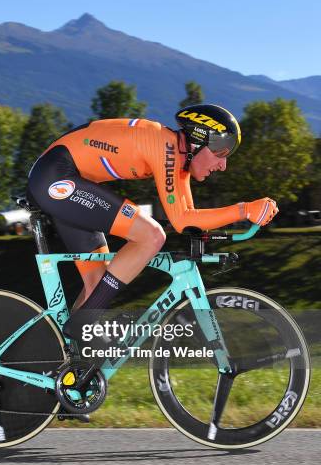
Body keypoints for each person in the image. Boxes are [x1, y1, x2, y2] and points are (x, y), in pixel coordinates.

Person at [27, 104, 278, 344]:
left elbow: (190, 218)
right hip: (57, 176)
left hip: (64, 178)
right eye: (221, 153)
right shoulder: (166, 146)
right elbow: (182, 220)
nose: (223, 165)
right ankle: (82, 324)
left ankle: (66, 363)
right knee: (151, 235)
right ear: (197, 142)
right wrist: (244, 210)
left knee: (97, 281)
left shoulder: (178, 158)